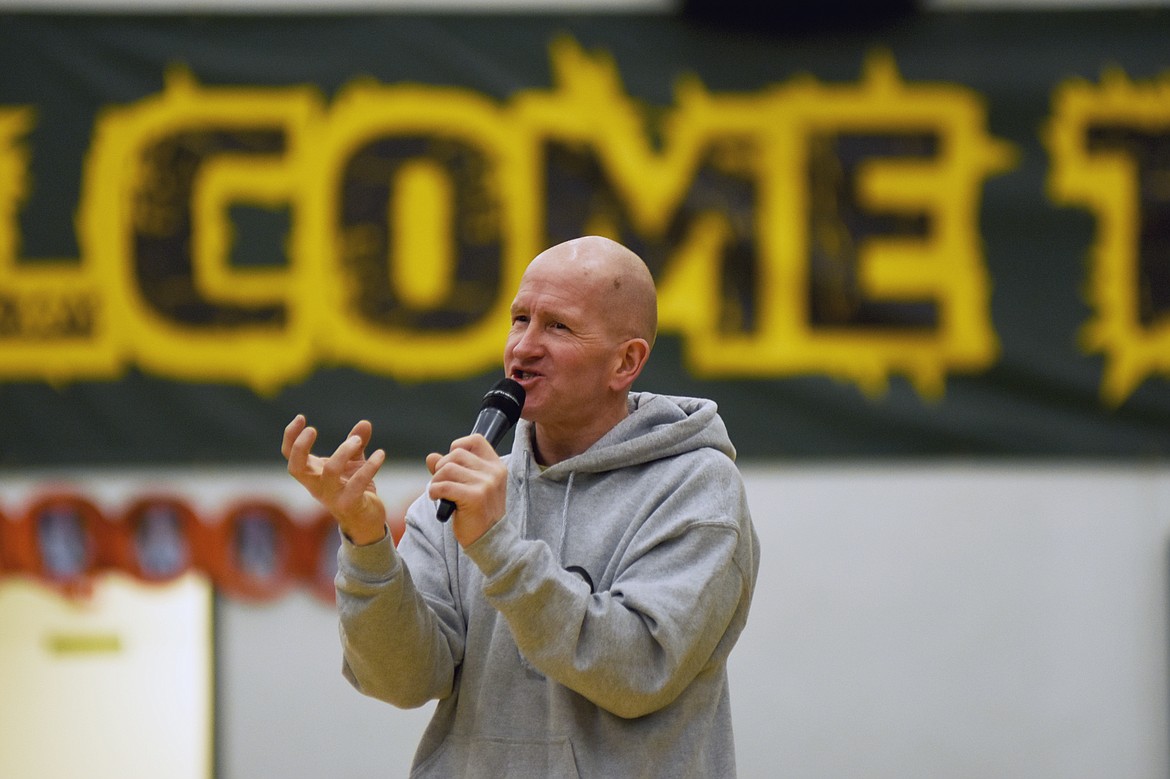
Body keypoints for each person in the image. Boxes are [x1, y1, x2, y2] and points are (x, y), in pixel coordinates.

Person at [282, 235, 760, 777]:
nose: (524, 346)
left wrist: (497, 547)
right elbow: (402, 680)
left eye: (558, 326)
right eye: (519, 319)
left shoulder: (696, 488)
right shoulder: (473, 487)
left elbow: (639, 671)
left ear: (626, 362)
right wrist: (367, 544)